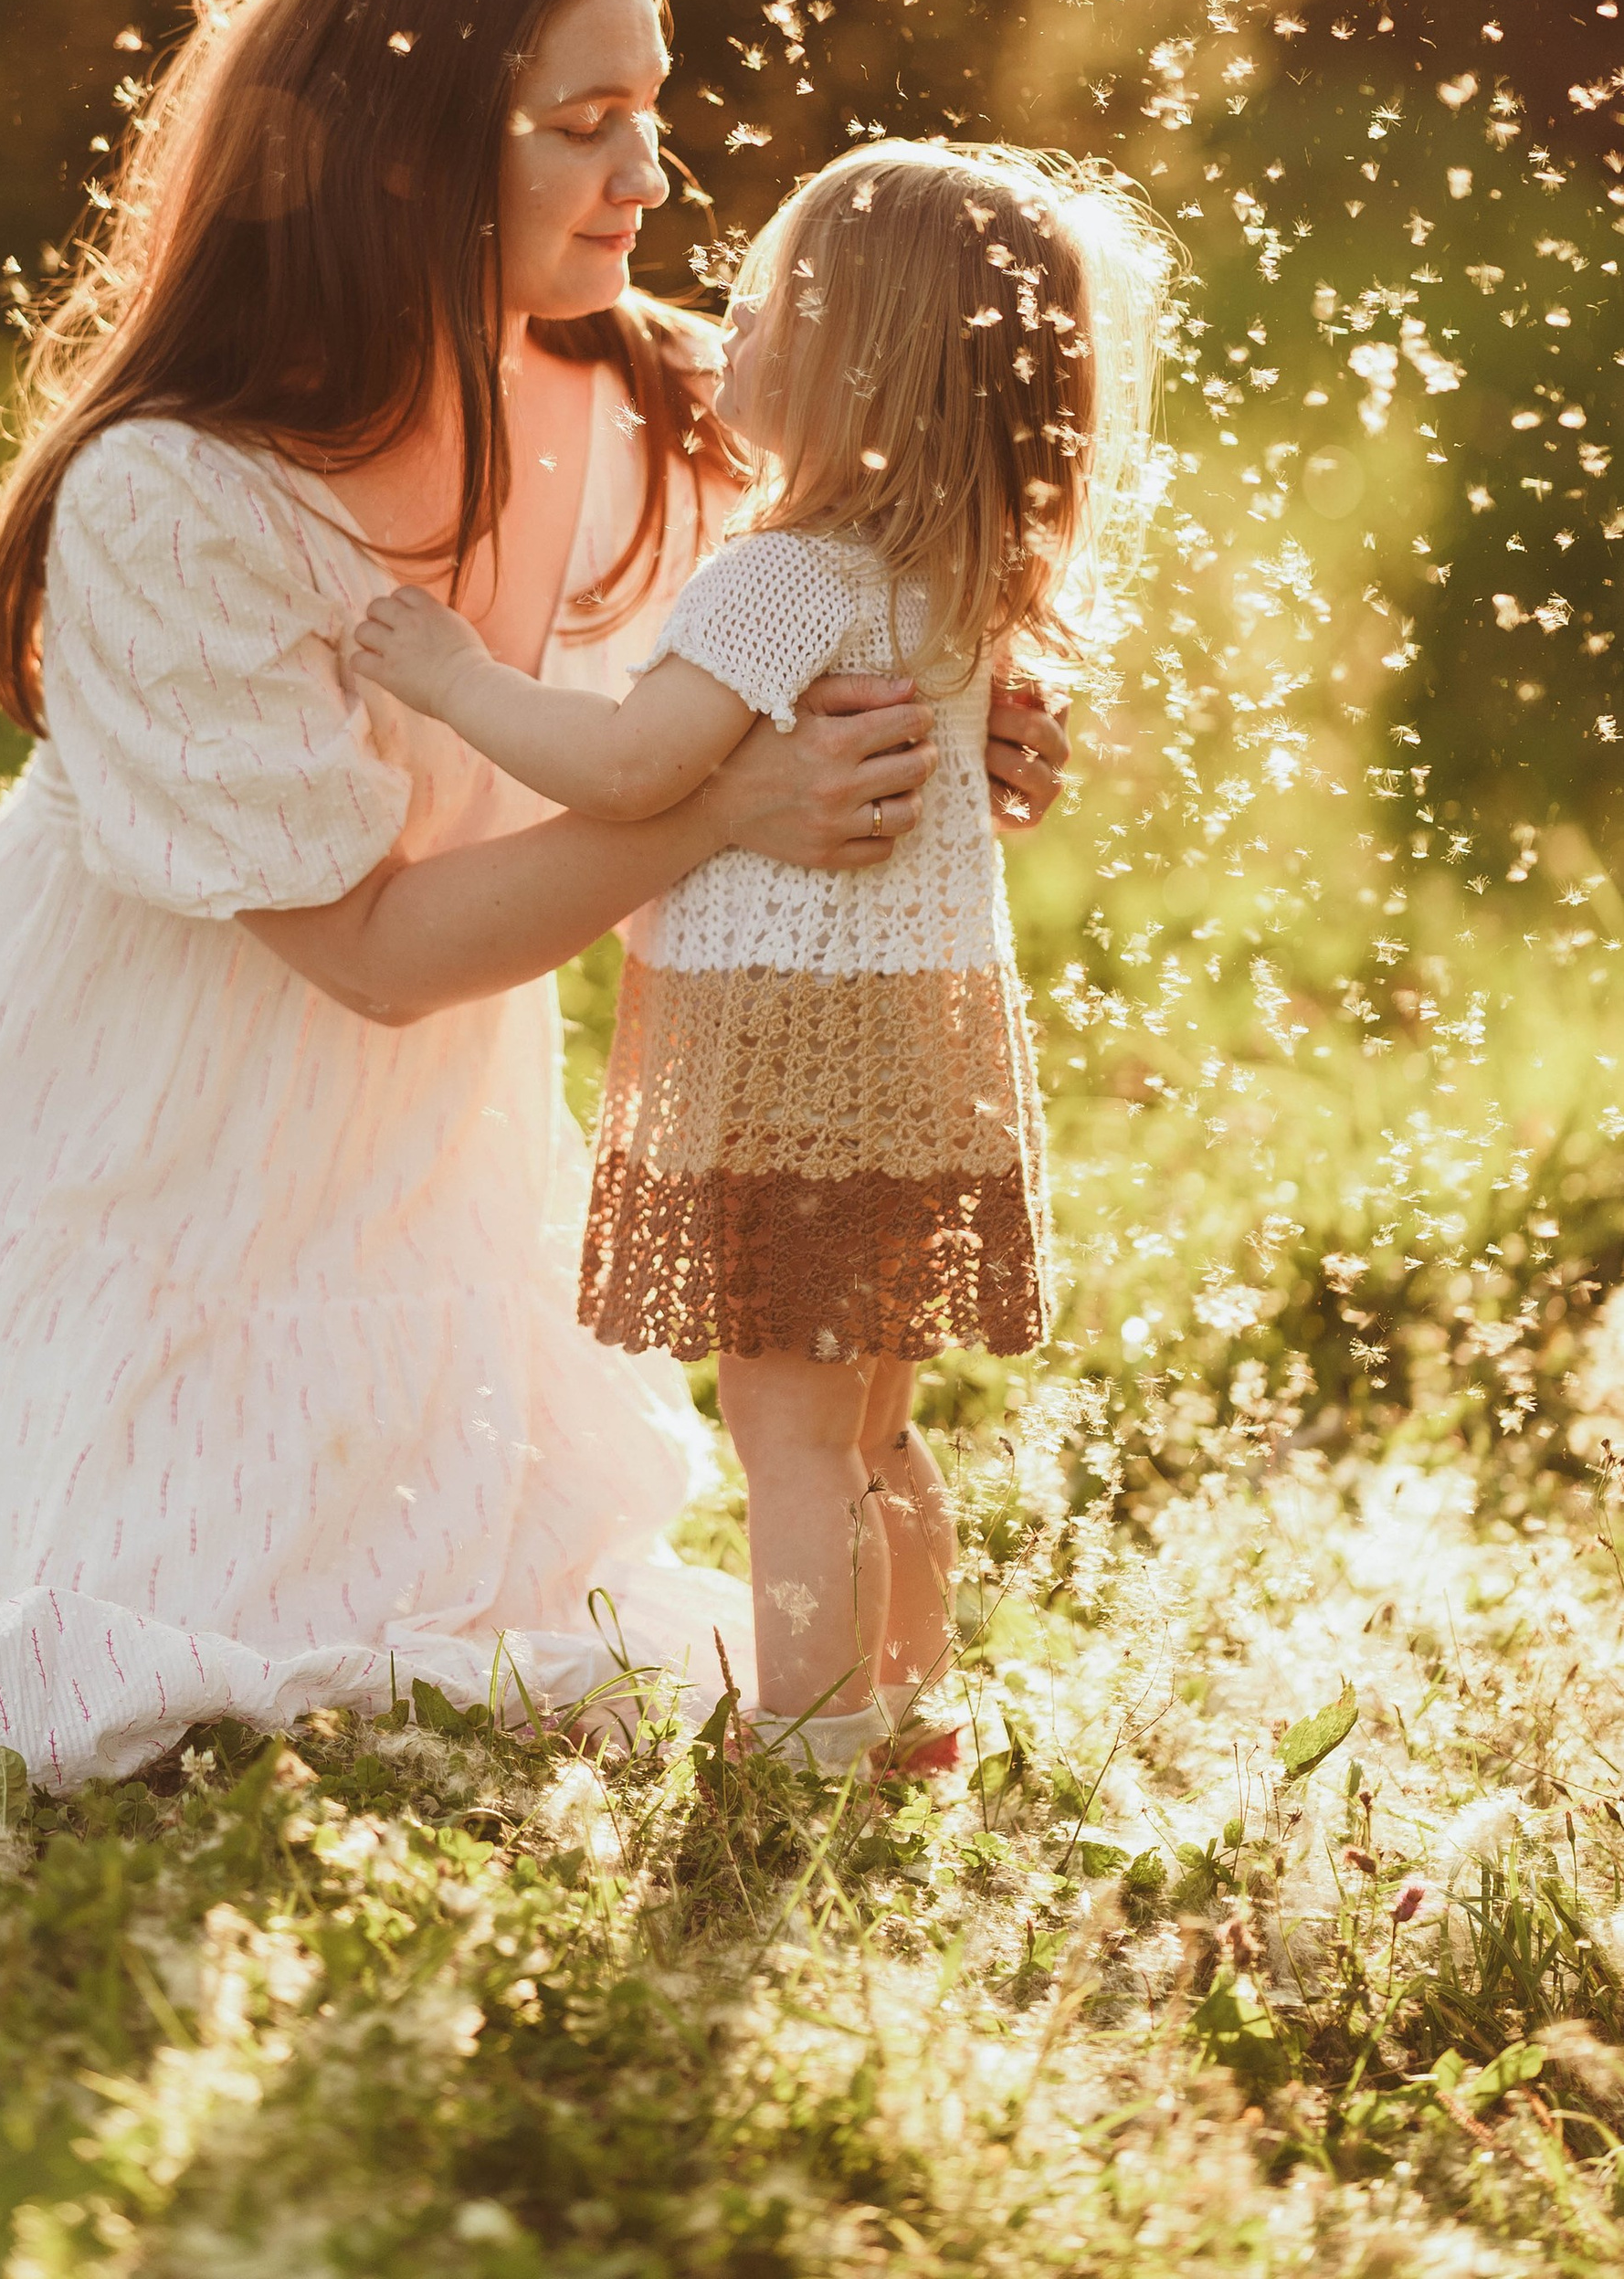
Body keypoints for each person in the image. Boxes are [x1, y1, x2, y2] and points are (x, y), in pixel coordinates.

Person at [0, 0, 1070, 1789]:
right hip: (143, 1123)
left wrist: (973, 722)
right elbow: (366, 950)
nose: (650, 176)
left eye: (653, 111)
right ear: (402, 157)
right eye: (582, 125)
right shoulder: (175, 496)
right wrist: (729, 808)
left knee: (437, 1608)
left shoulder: (672, 405)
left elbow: (883, 564)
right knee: (144, 1623)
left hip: (432, 1124)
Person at [356, 137, 1171, 1770]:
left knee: (785, 1433)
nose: (729, 318)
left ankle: (806, 1735)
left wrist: (449, 679)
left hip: (796, 1066)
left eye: (769, 296)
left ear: (859, 364)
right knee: (874, 1426)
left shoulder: (781, 580)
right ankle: (911, 1706)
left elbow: (627, 769)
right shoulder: (953, 585)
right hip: (922, 1063)